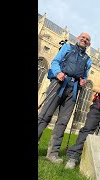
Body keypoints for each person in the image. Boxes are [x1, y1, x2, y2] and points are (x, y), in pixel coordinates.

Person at [38, 32, 92, 164]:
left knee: (63, 121)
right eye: (82, 37)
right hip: (59, 83)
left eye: (87, 39)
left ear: (89, 44)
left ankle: (52, 153)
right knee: (44, 115)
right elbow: (55, 61)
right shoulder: (67, 47)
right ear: (78, 38)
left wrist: (83, 81)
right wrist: (58, 72)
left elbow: (84, 75)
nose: (84, 40)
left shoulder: (88, 59)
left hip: (73, 90)